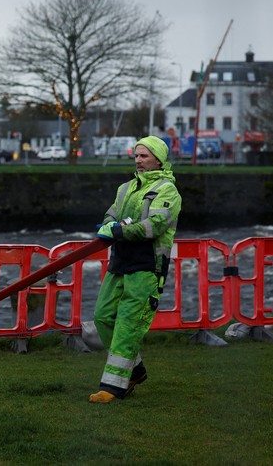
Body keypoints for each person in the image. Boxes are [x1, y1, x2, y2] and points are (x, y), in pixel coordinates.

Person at [88, 136, 182, 404]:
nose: (138, 160)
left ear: (159, 160)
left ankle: (114, 386)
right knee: (103, 317)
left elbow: (154, 227)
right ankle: (136, 370)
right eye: (137, 156)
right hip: (119, 262)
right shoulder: (125, 187)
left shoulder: (168, 191)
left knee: (128, 325)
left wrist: (119, 230)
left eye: (144, 156)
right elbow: (111, 214)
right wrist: (109, 225)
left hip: (146, 267)